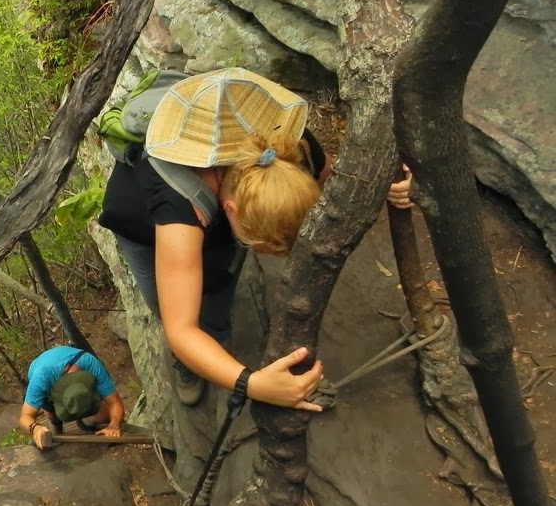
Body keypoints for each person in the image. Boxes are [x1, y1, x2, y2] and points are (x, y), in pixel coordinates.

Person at [97, 68, 412, 408]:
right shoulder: (179, 207)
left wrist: (384, 186)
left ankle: (215, 339)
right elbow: (181, 329)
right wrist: (253, 384)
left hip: (212, 212)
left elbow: (330, 172)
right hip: (141, 227)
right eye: (256, 244)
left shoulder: (289, 149)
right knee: (166, 302)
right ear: (230, 209)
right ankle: (189, 363)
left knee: (217, 287)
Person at [18, 346, 127, 450]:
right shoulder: (41, 379)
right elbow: (25, 416)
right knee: (52, 415)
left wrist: (113, 426)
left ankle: (85, 422)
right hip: (46, 377)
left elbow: (114, 402)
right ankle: (58, 432)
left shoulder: (91, 365)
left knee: (102, 416)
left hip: (69, 362)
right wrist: (35, 428)